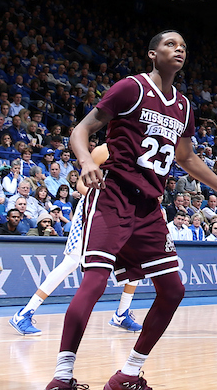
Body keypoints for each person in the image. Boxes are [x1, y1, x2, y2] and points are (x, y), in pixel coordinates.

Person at [33, 31, 217, 390]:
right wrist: (86, 162)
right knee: (95, 282)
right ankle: (59, 381)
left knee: (173, 290)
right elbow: (81, 130)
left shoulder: (183, 107)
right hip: (113, 195)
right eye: (170, 44)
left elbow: (186, 158)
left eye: (184, 45)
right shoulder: (129, 89)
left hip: (150, 208)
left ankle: (127, 376)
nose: (179, 49)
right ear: (152, 54)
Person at [9, 145, 143, 338]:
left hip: (120, 216)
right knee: (71, 262)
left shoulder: (142, 156)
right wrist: (105, 201)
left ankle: (122, 314)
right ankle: (24, 313)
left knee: (135, 263)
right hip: (92, 210)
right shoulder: (105, 150)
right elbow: (81, 185)